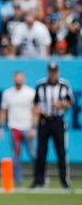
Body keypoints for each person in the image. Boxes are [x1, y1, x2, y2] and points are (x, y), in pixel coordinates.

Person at [30, 61, 73, 190]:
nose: (52, 73)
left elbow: (70, 102)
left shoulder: (64, 85)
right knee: (41, 152)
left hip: (58, 120)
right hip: (44, 120)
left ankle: (64, 181)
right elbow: (35, 103)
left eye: (54, 71)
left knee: (61, 152)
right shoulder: (40, 85)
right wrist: (36, 114)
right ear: (48, 71)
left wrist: (62, 105)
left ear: (57, 72)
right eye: (51, 71)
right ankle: (39, 181)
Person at [0, 71, 36, 186]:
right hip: (14, 128)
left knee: (33, 154)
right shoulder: (8, 93)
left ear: (24, 79)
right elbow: (3, 111)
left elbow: (35, 111)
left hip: (28, 127)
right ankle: (18, 180)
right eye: (16, 78)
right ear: (13, 80)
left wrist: (34, 127)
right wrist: (0, 126)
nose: (18, 80)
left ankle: (40, 176)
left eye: (20, 78)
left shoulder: (31, 93)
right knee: (16, 156)